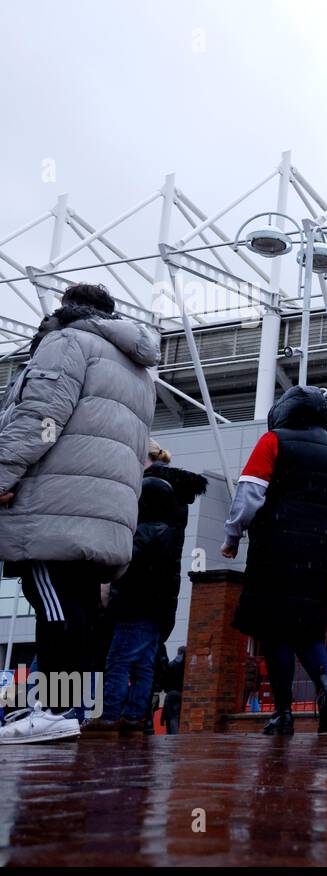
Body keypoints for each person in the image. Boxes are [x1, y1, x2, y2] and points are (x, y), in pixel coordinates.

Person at [0, 283, 159, 745]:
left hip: (55, 505)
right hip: (103, 512)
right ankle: (73, 708)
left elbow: (40, 418)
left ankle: (53, 708)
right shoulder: (137, 369)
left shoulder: (67, 342)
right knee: (82, 608)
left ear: (67, 311)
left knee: (53, 601)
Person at [222, 385, 327, 736]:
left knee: (275, 631)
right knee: (308, 627)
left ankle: (282, 714)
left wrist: (233, 535)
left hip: (276, 547)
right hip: (321, 554)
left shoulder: (273, 441)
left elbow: (250, 492)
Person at [84, 476, 184, 733]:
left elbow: (121, 564)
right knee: (143, 665)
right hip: (155, 611)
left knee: (118, 661)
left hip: (132, 608)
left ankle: (108, 717)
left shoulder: (141, 532)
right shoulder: (170, 535)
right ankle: (134, 716)